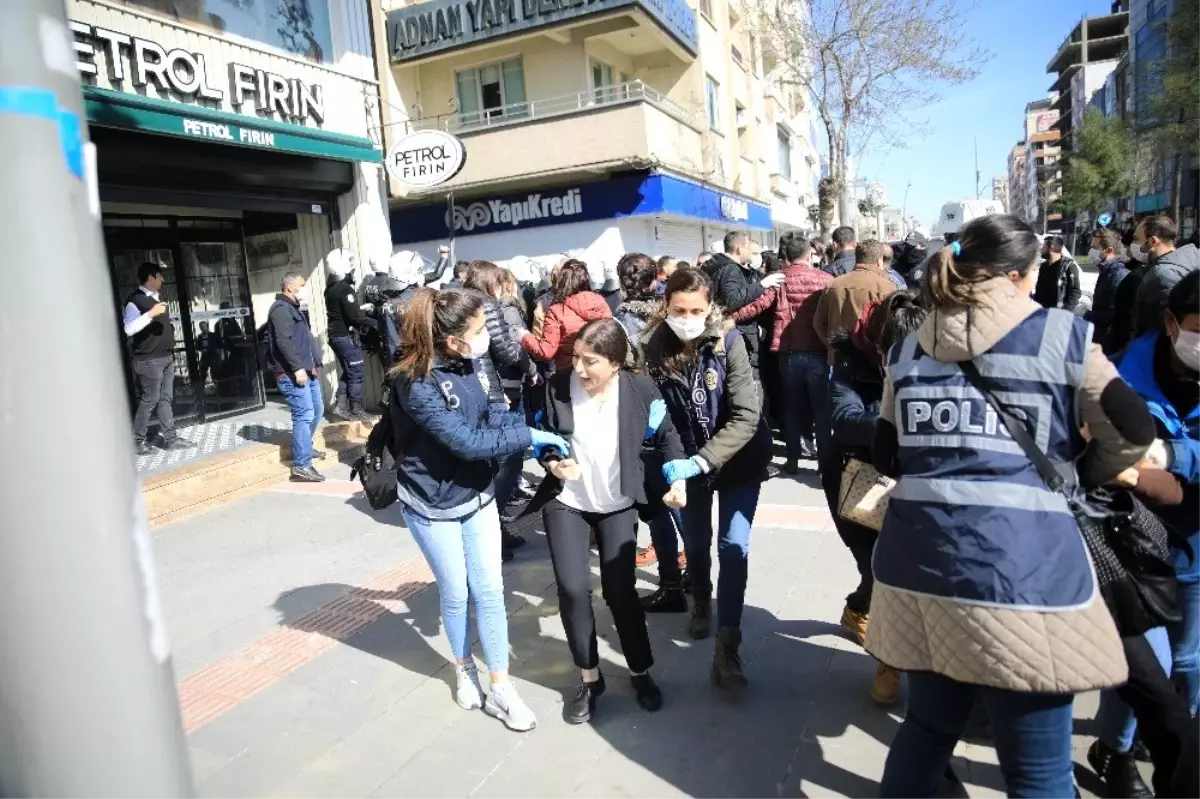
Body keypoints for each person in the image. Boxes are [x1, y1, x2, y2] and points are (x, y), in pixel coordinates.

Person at [866, 214, 1156, 796]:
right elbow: (1133, 429)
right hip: (1026, 580)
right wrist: (1078, 475)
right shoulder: (1061, 335)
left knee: (925, 729)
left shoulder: (908, 348)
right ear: (1022, 275)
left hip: (919, 571)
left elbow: (886, 452)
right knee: (1040, 772)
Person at [388, 287, 568, 732]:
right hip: (430, 501)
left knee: (489, 590)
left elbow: (491, 415)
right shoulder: (415, 382)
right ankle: (464, 667)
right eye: (476, 331)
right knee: (456, 593)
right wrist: (528, 439)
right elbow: (467, 442)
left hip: (477, 494)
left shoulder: (473, 361)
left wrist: (533, 427)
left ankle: (502, 687)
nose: (484, 337)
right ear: (451, 340)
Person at [524, 318, 683, 722]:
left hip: (617, 502)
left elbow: (668, 437)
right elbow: (543, 438)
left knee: (620, 591)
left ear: (615, 362)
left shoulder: (640, 389)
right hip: (567, 501)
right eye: (576, 357)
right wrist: (553, 462)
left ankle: (639, 671)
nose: (579, 368)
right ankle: (590, 678)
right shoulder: (557, 386)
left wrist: (677, 477)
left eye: (590, 361)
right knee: (574, 590)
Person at [643, 268, 773, 688]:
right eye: (679, 309)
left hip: (737, 460)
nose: (687, 317)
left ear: (710, 306)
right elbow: (665, 417)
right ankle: (701, 600)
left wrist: (702, 461)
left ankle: (727, 647)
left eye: (696, 310)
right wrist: (674, 459)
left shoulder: (728, 343)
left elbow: (746, 415)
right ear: (666, 306)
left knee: (733, 545)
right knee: (696, 543)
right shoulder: (652, 347)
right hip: (686, 463)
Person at [823, 292, 927, 705]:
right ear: (878, 346)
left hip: (914, 481)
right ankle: (887, 658)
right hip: (856, 477)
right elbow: (842, 418)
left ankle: (869, 621)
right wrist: (895, 422)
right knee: (878, 569)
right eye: (893, 354)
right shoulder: (849, 360)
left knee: (899, 576)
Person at [1117, 269, 1200, 720]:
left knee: (1188, 661)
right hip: (1131, 544)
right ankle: (1117, 751)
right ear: (1171, 323)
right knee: (1140, 667)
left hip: (1196, 554)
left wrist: (1173, 454)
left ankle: (1182, 748)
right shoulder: (1116, 374)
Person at [612, 253, 689, 590]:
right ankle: (696, 575)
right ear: (655, 279)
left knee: (658, 504)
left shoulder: (619, 322)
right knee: (679, 497)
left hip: (643, 416)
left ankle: (671, 584)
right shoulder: (670, 315)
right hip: (677, 410)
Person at [730, 236, 832, 470]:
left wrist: (728, 316)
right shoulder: (826, 280)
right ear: (809, 255)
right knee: (821, 409)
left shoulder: (779, 280)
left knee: (792, 407)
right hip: (818, 350)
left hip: (788, 351)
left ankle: (793, 459)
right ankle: (825, 460)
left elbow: (756, 306)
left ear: (786, 257)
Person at [463, 261, 534, 557]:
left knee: (491, 460)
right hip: (493, 389)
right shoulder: (486, 306)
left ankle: (493, 530)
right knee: (510, 456)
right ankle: (492, 531)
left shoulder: (460, 301)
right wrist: (527, 358)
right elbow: (504, 349)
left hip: (472, 389)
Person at [266, 272, 328, 483]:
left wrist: (313, 364)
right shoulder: (281, 310)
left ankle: (306, 448)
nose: (305, 290)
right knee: (304, 414)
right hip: (292, 373)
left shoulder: (293, 309)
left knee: (317, 409)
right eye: (302, 286)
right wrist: (297, 369)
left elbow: (304, 340)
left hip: (306, 369)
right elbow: (284, 342)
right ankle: (301, 465)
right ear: (291, 287)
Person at [124, 262, 191, 456]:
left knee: (165, 399)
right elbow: (128, 328)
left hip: (165, 358)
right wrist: (151, 314)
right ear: (150, 278)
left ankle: (170, 439)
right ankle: (137, 441)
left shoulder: (157, 298)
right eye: (160, 276)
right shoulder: (134, 301)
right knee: (149, 400)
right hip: (148, 360)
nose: (163, 279)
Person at [705, 231, 786, 379]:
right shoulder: (731, 269)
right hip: (738, 332)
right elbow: (732, 300)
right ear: (739, 249)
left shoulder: (719, 266)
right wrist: (761, 285)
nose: (751, 253)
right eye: (748, 248)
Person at [813, 240, 897, 363]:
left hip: (840, 359)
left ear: (857, 258)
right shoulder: (887, 288)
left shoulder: (833, 284)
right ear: (879, 260)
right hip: (873, 361)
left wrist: (833, 347)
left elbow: (818, 324)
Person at [521, 259, 612, 370]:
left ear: (562, 280)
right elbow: (612, 338)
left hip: (570, 372)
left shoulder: (556, 311)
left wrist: (525, 337)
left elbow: (546, 352)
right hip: (600, 370)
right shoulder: (601, 303)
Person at [324, 248, 377, 422]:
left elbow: (343, 312)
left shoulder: (330, 288)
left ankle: (340, 406)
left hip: (335, 335)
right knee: (356, 372)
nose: (353, 271)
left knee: (349, 370)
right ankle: (356, 409)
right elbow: (354, 318)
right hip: (344, 336)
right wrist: (376, 323)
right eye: (351, 268)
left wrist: (359, 309)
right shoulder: (345, 289)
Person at [1133, 215, 1200, 339]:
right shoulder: (1184, 260)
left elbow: (1163, 335)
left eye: (1136, 239)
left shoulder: (1162, 276)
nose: (1133, 244)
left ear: (1153, 241)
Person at [1086, 229, 1131, 353]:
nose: (1091, 252)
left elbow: (1114, 314)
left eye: (1095, 248)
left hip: (1109, 344)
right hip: (1101, 338)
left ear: (1109, 250)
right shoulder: (1106, 272)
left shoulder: (1118, 275)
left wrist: (1088, 315)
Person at [1033, 235, 1083, 312]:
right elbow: (1039, 290)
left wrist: (1065, 311)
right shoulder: (1044, 266)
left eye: (1044, 246)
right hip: (1043, 312)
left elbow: (1075, 292)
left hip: (1058, 313)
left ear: (1051, 248)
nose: (1041, 249)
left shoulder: (1068, 267)